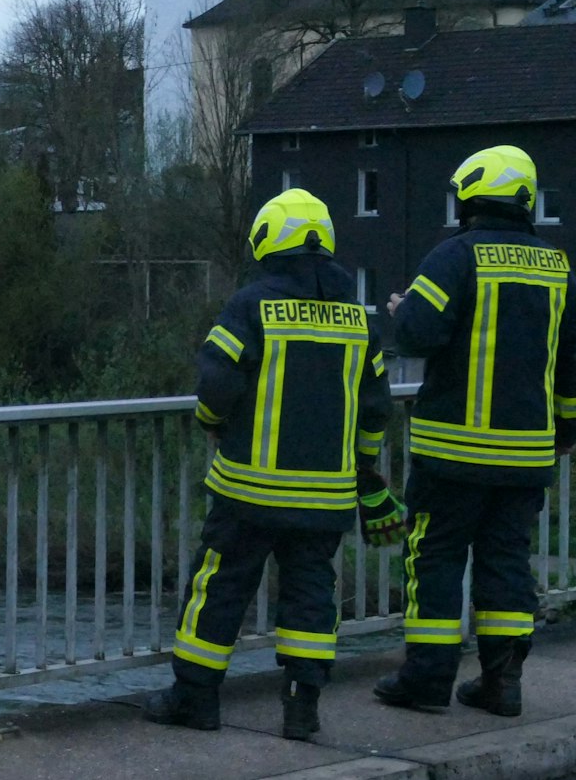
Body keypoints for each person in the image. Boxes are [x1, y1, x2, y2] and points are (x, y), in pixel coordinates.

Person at [145, 188, 407, 741]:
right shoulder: (357, 319)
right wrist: (362, 471)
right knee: (312, 595)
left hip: (248, 491)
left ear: (268, 242)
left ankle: (196, 700)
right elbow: (376, 410)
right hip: (325, 498)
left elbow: (216, 383)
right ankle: (301, 706)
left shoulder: (251, 305)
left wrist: (212, 422)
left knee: (218, 589)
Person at [373, 145, 576, 718]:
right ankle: (502, 684)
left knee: (436, 557)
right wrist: (566, 428)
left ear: (470, 198)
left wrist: (401, 309)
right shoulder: (557, 267)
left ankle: (426, 681)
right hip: (526, 456)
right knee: (506, 563)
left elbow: (417, 335)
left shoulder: (454, 256)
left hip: (452, 453)